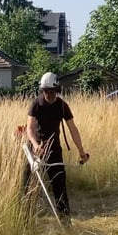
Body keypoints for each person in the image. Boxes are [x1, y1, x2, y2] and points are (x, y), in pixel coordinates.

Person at [22, 72, 90, 225]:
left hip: (54, 150)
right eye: (46, 91)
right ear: (42, 90)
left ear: (57, 90)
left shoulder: (62, 105)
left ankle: (66, 223)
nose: (49, 94)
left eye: (52, 91)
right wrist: (35, 144)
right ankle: (26, 222)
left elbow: (73, 129)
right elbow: (30, 129)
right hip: (35, 150)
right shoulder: (36, 105)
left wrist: (81, 151)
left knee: (60, 186)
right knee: (29, 186)